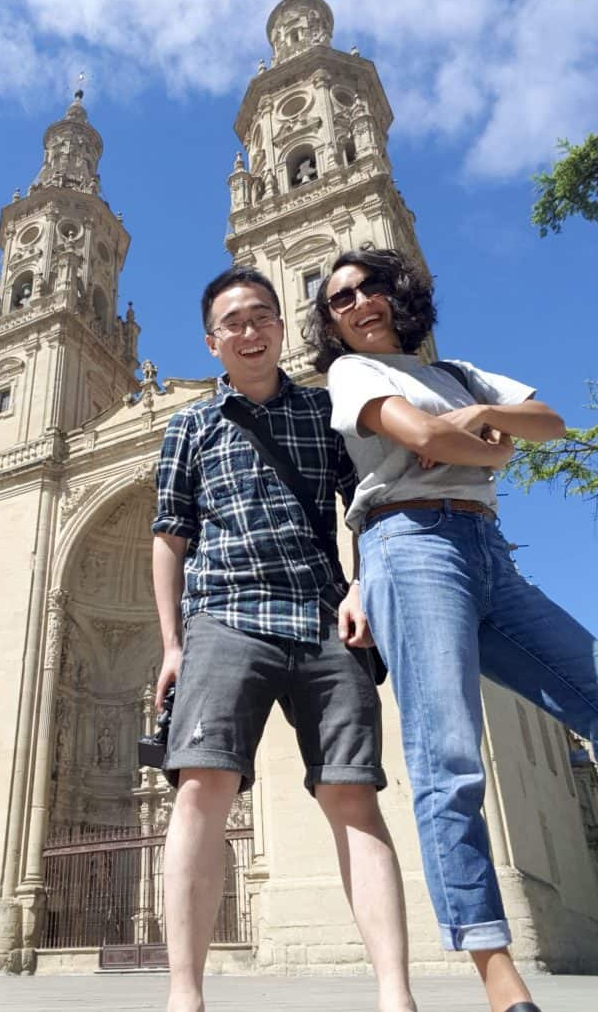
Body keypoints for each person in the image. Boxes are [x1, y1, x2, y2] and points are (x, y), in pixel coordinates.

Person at [304, 246, 598, 1012]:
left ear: (399, 294)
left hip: (487, 550)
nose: (360, 302)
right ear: (331, 322)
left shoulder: (460, 370)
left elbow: (552, 422)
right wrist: (485, 442)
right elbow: (426, 440)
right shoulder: (350, 374)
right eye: (339, 298)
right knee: (449, 757)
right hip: (410, 545)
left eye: (370, 287)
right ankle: (502, 984)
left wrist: (488, 417)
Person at [152, 267, 416, 1012]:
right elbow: (169, 537)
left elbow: (365, 505)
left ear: (280, 326)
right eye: (233, 321)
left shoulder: (327, 411)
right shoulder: (191, 426)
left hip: (324, 620)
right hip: (225, 615)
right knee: (201, 790)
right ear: (213, 341)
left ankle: (396, 996)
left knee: (353, 794)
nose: (249, 329)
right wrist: (172, 644)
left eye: (262, 315)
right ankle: (185, 997)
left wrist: (362, 585)